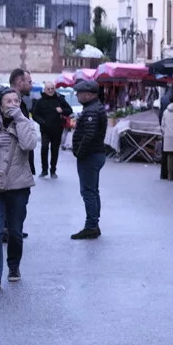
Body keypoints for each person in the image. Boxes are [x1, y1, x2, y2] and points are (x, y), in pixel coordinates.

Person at [0, 86, 38, 290]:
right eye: (8, 101)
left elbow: (29, 145)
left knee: (15, 232)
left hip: (18, 185)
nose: (13, 104)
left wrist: (20, 118)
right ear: (0, 105)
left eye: (16, 101)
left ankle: (14, 267)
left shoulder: (25, 122)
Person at [70, 80, 109, 240]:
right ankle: (94, 223)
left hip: (90, 155)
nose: (77, 96)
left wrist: (79, 152)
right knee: (93, 191)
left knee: (88, 192)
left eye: (79, 93)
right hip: (95, 154)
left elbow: (89, 136)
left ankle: (91, 225)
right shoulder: (94, 107)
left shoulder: (91, 111)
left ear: (89, 94)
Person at [31, 83, 73, 178]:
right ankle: (44, 170)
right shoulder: (40, 101)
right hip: (45, 129)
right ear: (45, 90)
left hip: (57, 129)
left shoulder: (59, 99)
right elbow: (34, 114)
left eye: (52, 89)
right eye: (48, 89)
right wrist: (42, 121)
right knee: (44, 148)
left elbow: (69, 110)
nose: (50, 91)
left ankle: (53, 170)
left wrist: (62, 110)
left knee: (54, 150)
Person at [9, 69, 36, 175]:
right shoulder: (9, 105)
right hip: (15, 166)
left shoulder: (21, 103)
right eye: (29, 82)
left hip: (20, 164)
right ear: (20, 83)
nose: (31, 85)